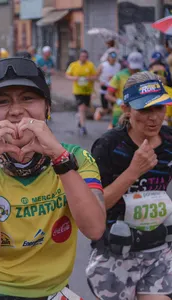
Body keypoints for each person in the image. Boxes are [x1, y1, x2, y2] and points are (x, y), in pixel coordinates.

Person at [0, 57, 106, 299]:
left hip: (49, 290)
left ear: (47, 108)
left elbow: (95, 229)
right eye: (2, 102)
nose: (16, 110)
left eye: (28, 98)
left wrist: (60, 159)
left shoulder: (76, 157)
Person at [86, 71, 172, 300]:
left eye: (160, 107)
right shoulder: (109, 146)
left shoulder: (169, 141)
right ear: (126, 109)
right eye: (144, 110)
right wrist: (133, 171)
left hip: (157, 249)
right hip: (116, 253)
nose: (154, 117)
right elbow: (94, 207)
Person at [106, 51, 143, 129]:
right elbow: (108, 95)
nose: (135, 70)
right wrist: (118, 101)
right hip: (120, 112)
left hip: (139, 111)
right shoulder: (119, 76)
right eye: (133, 68)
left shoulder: (145, 75)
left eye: (137, 68)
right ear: (128, 64)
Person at [65, 49, 97, 135]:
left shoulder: (90, 65)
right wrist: (74, 78)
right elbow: (67, 75)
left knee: (84, 109)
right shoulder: (74, 65)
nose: (84, 58)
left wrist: (89, 78)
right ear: (79, 57)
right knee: (81, 108)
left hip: (87, 91)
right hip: (77, 91)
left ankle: (80, 120)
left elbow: (95, 76)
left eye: (85, 57)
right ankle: (83, 127)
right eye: (82, 56)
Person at [94, 51, 121, 121]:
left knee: (114, 107)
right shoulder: (103, 65)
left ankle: (114, 122)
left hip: (113, 89)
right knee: (105, 109)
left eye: (114, 58)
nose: (113, 60)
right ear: (108, 58)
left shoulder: (118, 65)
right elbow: (96, 76)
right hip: (104, 88)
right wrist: (100, 82)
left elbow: (120, 76)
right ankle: (99, 111)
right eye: (112, 58)